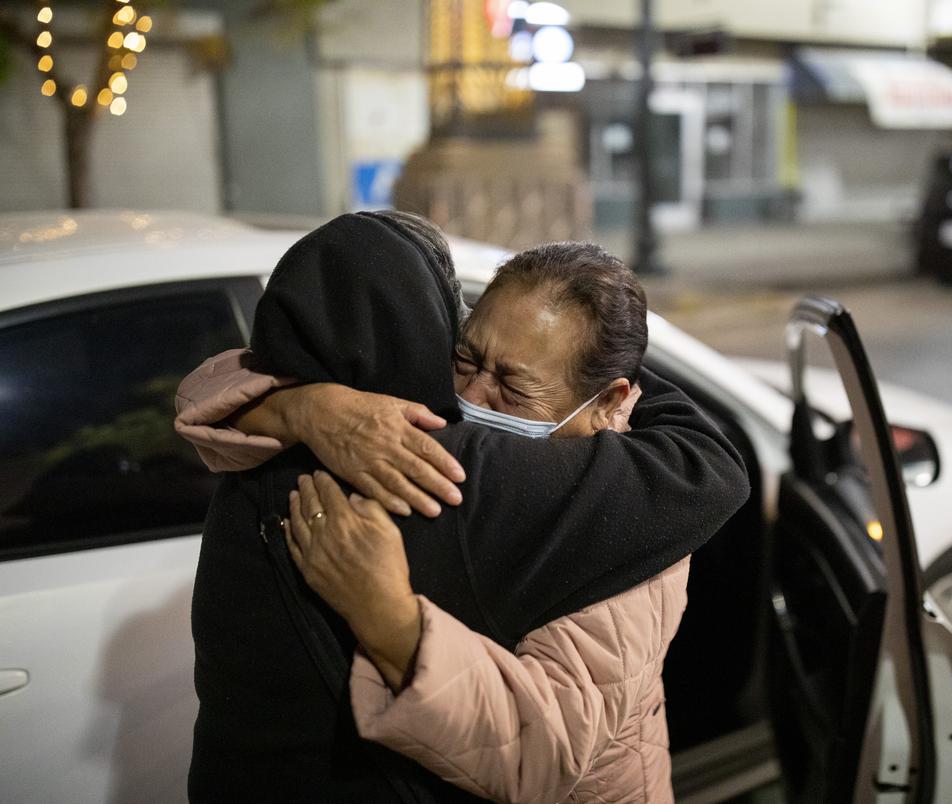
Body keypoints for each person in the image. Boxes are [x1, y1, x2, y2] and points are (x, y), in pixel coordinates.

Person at [180, 212, 750, 802]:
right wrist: (307, 406)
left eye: (513, 385)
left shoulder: (636, 513)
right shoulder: (389, 433)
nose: (471, 399)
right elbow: (212, 385)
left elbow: (541, 754)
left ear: (609, 402)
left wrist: (390, 618)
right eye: (466, 359)